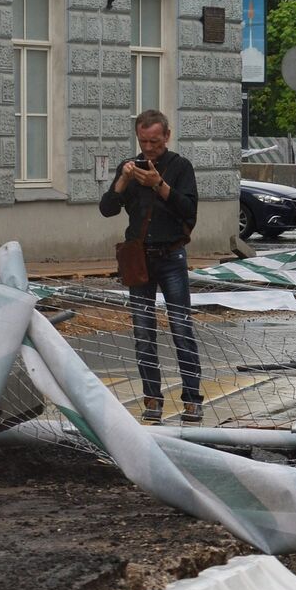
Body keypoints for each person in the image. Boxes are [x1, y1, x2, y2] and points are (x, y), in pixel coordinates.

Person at [101, 108, 202, 424]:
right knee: (143, 333)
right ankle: (152, 399)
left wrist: (160, 184)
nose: (148, 148)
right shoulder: (128, 168)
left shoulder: (180, 167)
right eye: (143, 141)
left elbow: (188, 210)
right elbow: (106, 209)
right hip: (139, 258)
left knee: (181, 329)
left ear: (167, 136)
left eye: (155, 142)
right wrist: (122, 180)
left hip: (171, 257)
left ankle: (192, 399)